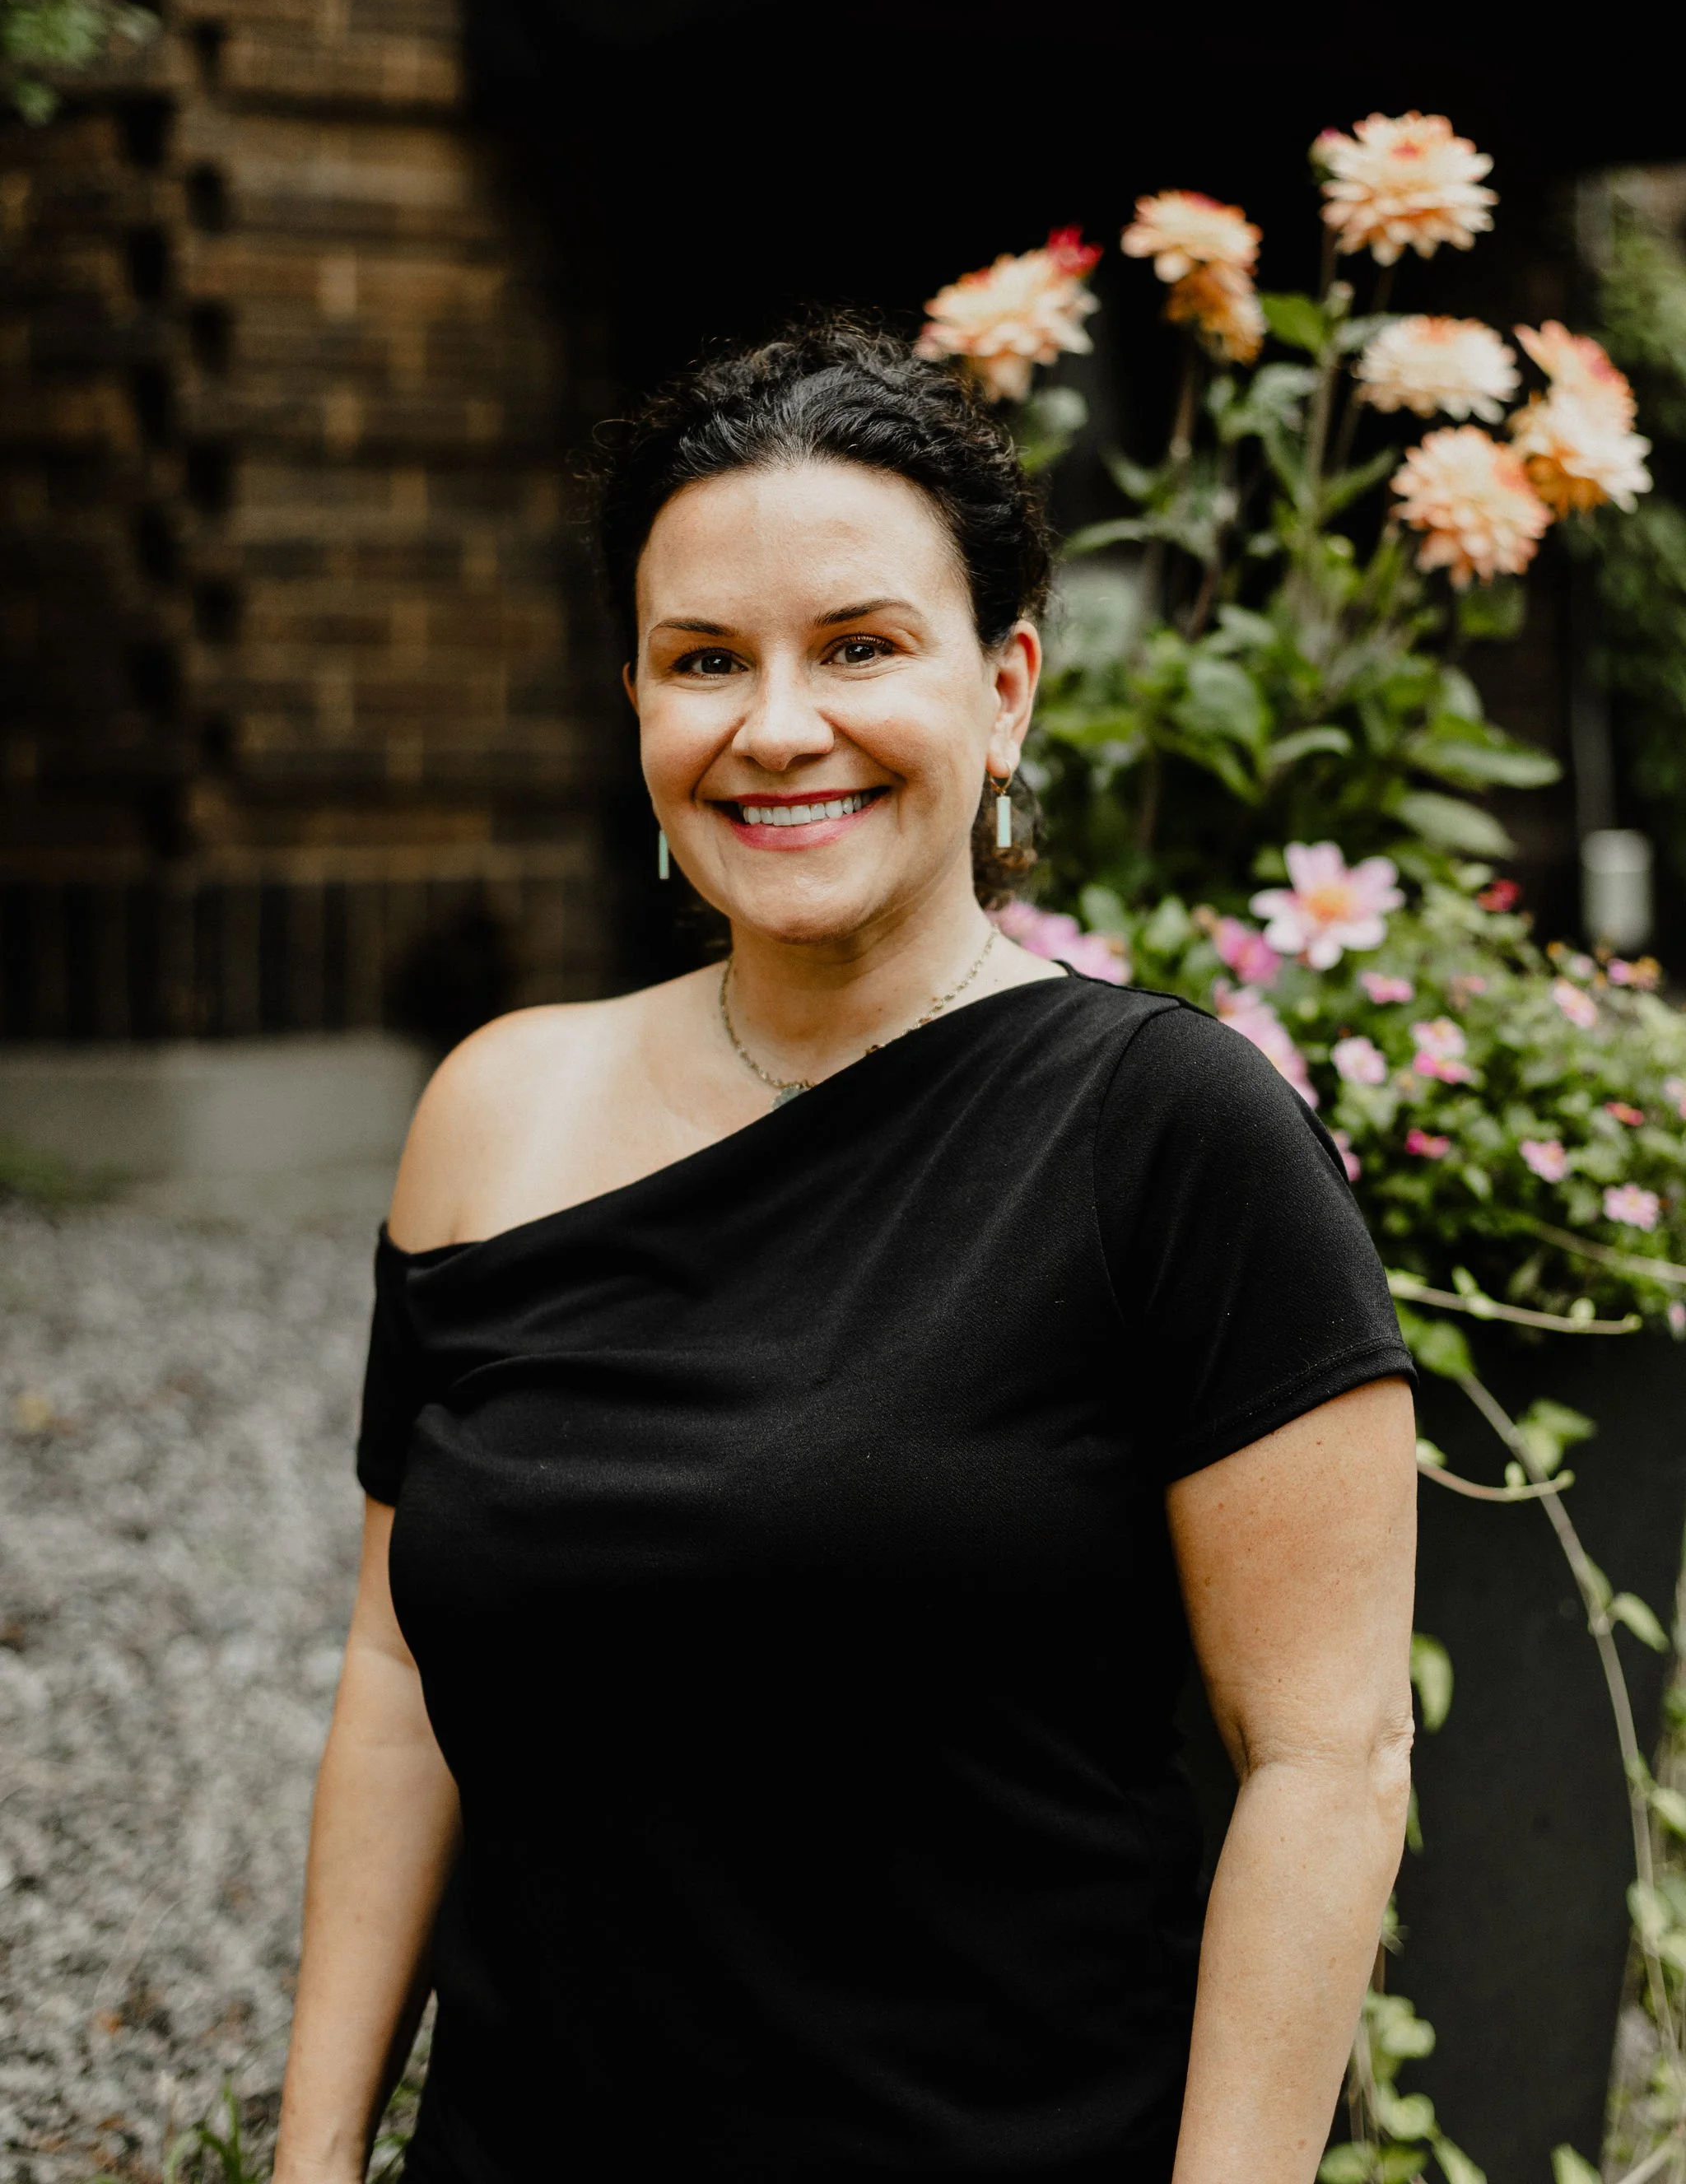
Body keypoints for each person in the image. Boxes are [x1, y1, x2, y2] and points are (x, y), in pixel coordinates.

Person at [273, 321, 1418, 2184]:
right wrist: (313, 2160)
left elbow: (1326, 1761)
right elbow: (402, 1678)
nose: (775, 725)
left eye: (861, 647)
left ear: (1006, 687)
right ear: (634, 697)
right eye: (703, 660)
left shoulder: (1167, 1135)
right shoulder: (495, 1116)